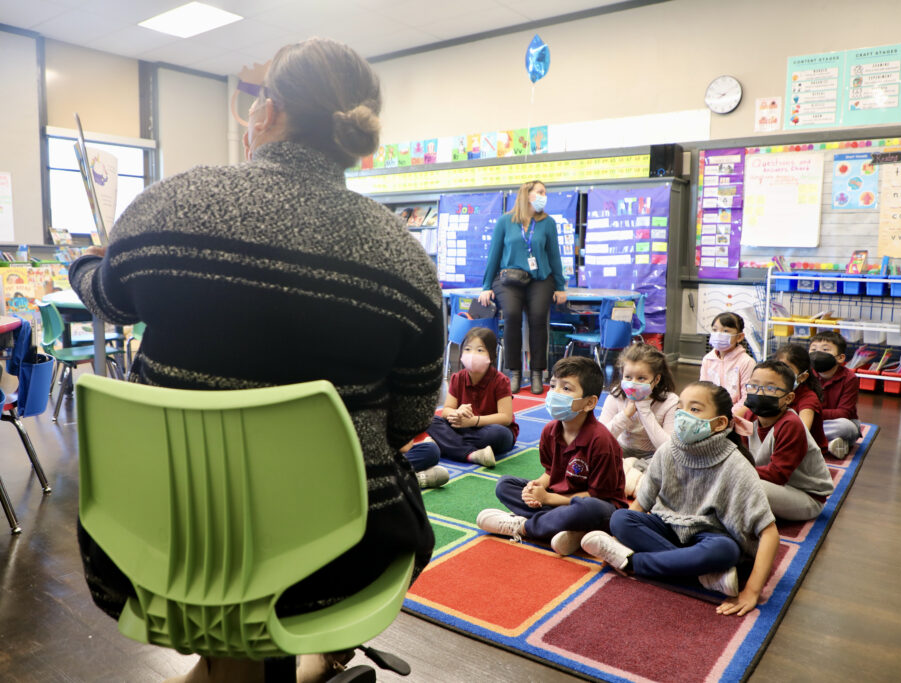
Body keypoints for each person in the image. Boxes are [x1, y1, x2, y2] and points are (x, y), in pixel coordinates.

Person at [69, 38, 439, 683]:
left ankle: (255, 662)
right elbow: (408, 419)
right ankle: (315, 657)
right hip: (335, 560)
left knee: (225, 610)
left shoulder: (171, 203)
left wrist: (87, 261)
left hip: (153, 547)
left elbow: (108, 299)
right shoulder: (404, 258)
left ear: (265, 114)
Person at [581, 381, 779, 616]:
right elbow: (640, 505)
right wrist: (617, 541)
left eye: (695, 409)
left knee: (724, 551)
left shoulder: (735, 464)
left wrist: (752, 592)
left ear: (720, 423)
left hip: (708, 537)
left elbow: (770, 534)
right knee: (620, 519)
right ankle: (702, 574)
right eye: (681, 408)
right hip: (667, 528)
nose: (684, 415)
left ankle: (633, 563)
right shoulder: (667, 450)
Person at [476, 356, 626, 556]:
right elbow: (551, 472)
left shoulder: (601, 441)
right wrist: (537, 486)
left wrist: (548, 497)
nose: (555, 393)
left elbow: (598, 496)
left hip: (597, 505)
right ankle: (569, 531)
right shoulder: (549, 431)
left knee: (588, 509)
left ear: (589, 403)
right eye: (554, 385)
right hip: (558, 498)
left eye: (566, 389)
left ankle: (524, 527)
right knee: (505, 485)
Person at [478, 180, 569, 395]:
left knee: (538, 317)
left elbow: (554, 256)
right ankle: (515, 372)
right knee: (511, 315)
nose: (543, 196)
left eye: (544, 192)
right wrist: (485, 286)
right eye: (539, 192)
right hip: (509, 278)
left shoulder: (548, 223)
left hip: (540, 279)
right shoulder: (505, 222)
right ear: (526, 194)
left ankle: (537, 372)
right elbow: (494, 255)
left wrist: (560, 286)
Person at [741, 361, 834, 521]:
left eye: (770, 388)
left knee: (747, 486)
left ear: (789, 398)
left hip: (805, 496)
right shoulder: (749, 417)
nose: (760, 393)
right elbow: (741, 456)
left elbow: (778, 475)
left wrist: (735, 471)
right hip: (776, 487)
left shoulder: (790, 424)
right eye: (754, 386)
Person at [427, 326, 517, 467]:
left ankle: (445, 443)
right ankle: (472, 454)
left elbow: (505, 418)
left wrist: (474, 421)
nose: (472, 354)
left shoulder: (500, 380)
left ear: (491, 355)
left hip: (488, 429)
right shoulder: (458, 378)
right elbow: (446, 410)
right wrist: (456, 413)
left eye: (480, 350)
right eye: (468, 349)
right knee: (429, 420)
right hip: (463, 427)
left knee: (499, 434)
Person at [598, 342, 678, 497]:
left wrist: (644, 411)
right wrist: (625, 415)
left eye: (641, 378)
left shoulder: (670, 401)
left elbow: (668, 448)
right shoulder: (616, 395)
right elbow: (601, 438)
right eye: (628, 377)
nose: (633, 383)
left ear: (656, 380)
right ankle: (631, 477)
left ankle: (628, 477)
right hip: (621, 452)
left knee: (671, 471)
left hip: (653, 456)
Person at [808, 331, 860, 459]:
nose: (817, 354)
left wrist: (812, 413)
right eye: (813, 349)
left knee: (847, 428)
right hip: (811, 421)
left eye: (825, 349)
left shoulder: (850, 378)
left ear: (840, 358)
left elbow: (844, 413)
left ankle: (808, 442)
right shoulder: (806, 375)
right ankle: (830, 443)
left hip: (837, 423)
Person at [773, 344, 829, 456]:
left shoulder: (808, 398)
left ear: (802, 377)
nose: (782, 376)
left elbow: (801, 433)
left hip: (805, 451)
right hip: (779, 441)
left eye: (788, 371)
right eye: (779, 370)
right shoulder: (774, 391)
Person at [700, 312, 757, 408]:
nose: (718, 334)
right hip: (710, 411)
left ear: (739, 337)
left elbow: (747, 398)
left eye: (726, 331)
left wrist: (730, 415)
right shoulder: (708, 359)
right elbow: (702, 390)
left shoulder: (746, 362)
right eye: (715, 330)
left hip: (735, 414)